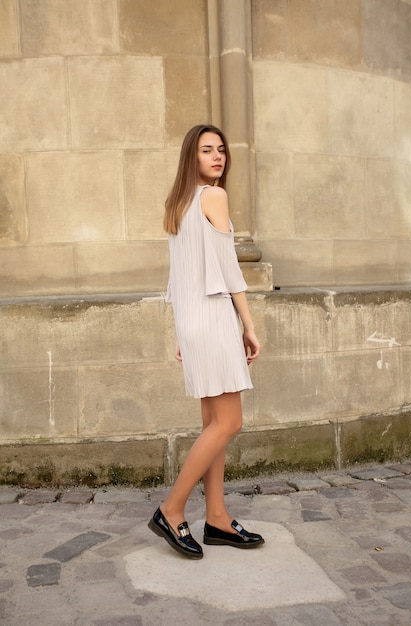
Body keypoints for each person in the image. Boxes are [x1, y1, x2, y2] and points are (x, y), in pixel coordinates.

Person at [148, 124, 264, 559]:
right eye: (206, 150)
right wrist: (248, 326)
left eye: (221, 150)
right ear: (191, 157)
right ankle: (171, 508)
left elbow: (177, 278)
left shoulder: (178, 203)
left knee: (213, 426)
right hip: (213, 318)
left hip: (194, 321)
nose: (217, 157)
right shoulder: (213, 197)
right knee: (228, 423)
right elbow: (228, 268)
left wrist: (183, 332)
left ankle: (216, 517)